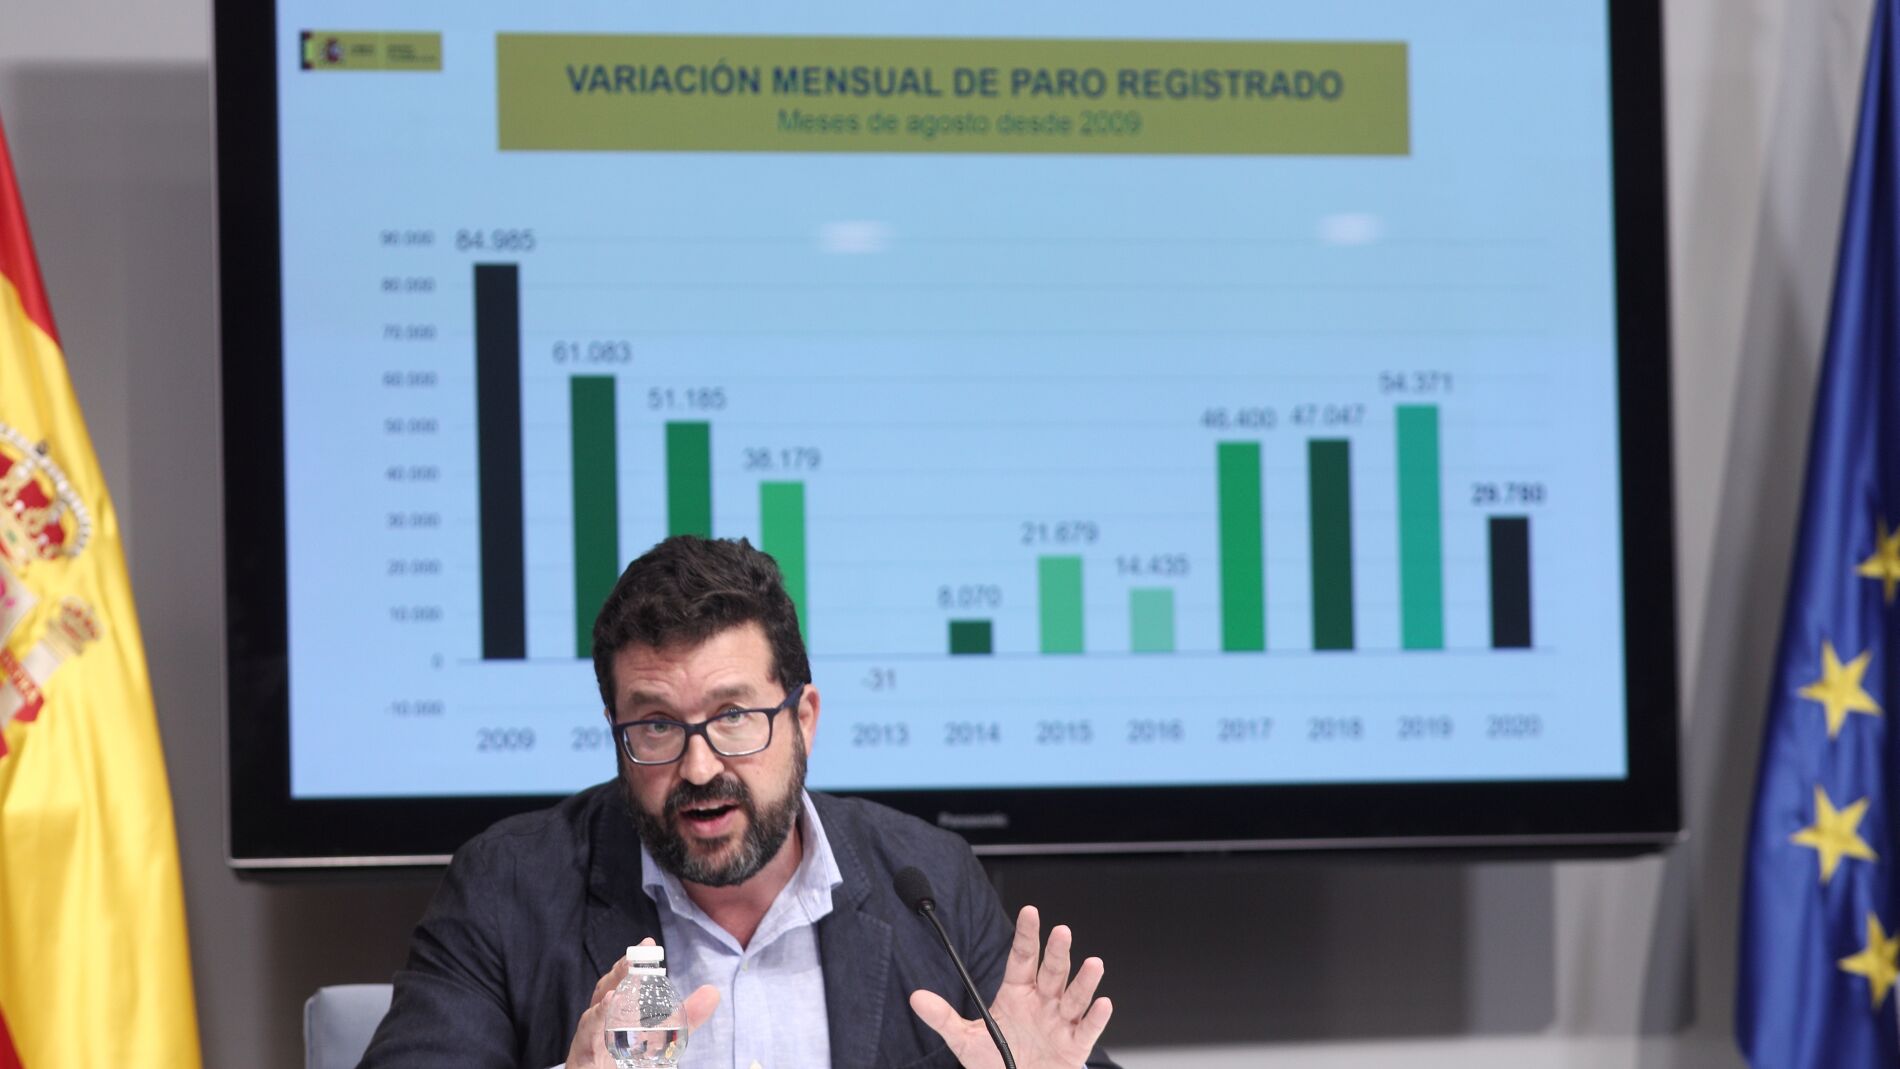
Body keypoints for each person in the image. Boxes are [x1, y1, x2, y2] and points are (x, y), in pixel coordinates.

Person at [358, 535, 1117, 1069]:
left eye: (732, 717)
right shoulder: (509, 887)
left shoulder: (927, 881)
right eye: (657, 725)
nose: (699, 767)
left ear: (803, 719)